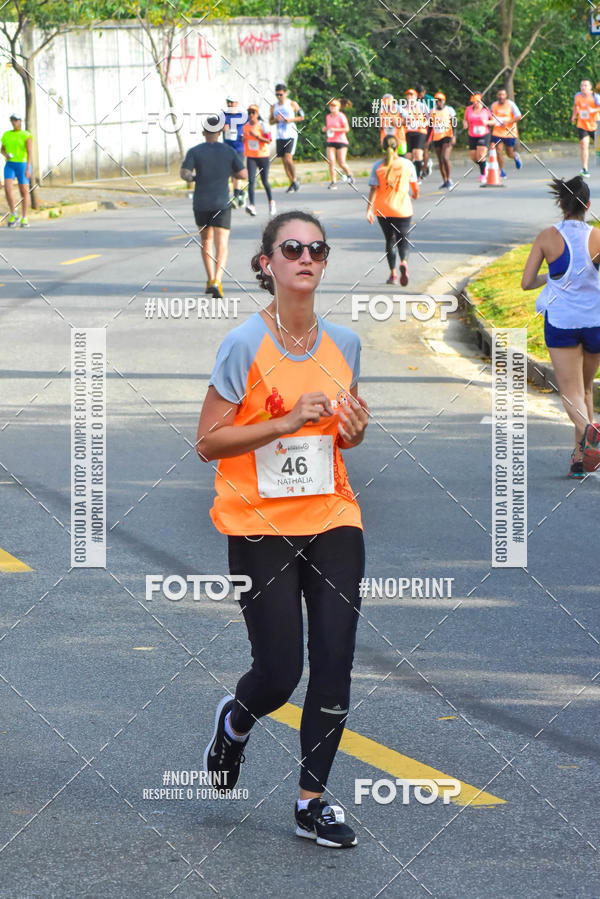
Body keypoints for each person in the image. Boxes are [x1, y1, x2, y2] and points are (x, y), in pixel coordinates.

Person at [197, 210, 369, 848]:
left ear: (324, 263)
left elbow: (351, 431)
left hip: (332, 514)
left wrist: (354, 428)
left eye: (316, 249)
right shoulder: (246, 343)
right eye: (291, 248)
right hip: (259, 522)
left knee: (335, 657)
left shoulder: (345, 344)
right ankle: (237, 721)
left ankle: (311, 801)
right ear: (266, 264)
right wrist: (284, 420)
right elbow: (208, 442)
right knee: (278, 673)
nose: (306, 257)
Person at [522, 175, 600, 477]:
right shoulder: (597, 237)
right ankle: (580, 459)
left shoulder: (547, 237)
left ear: (561, 205)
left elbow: (527, 282)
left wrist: (551, 277)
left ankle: (589, 434)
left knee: (569, 392)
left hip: (562, 323)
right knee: (585, 390)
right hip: (595, 322)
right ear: (588, 205)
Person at [180, 116, 247, 299]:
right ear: (219, 132)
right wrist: (230, 172)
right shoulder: (229, 151)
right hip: (221, 203)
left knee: (206, 242)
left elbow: (184, 173)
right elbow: (242, 173)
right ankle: (218, 280)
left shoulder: (195, 151)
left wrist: (193, 178)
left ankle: (209, 279)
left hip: (201, 203)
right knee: (222, 244)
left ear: (203, 133)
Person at [367, 134, 419, 285]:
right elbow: (415, 187)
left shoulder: (378, 166)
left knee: (390, 240)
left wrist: (369, 210)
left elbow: (373, 190)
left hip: (383, 210)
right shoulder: (407, 164)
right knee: (403, 240)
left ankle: (393, 274)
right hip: (402, 209)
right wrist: (415, 194)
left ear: (383, 147)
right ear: (398, 147)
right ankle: (404, 262)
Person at [270, 83, 304, 192]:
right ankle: (292, 181)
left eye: (281, 94)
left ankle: (294, 180)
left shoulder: (292, 104)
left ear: (285, 93)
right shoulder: (274, 106)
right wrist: (276, 120)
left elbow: (302, 117)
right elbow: (270, 121)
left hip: (291, 134)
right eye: (277, 95)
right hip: (280, 135)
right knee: (284, 161)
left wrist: (290, 120)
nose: (279, 97)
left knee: (288, 158)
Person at [243, 105, 275, 217]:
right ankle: (252, 206)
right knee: (251, 181)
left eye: (253, 112)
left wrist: (257, 137)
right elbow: (245, 140)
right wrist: (243, 139)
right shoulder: (246, 126)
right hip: (251, 157)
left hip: (263, 156)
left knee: (264, 181)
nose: (251, 115)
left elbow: (269, 140)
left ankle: (271, 202)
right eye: (249, 112)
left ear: (257, 114)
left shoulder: (263, 125)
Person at [1, 114, 32, 227]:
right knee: (8, 189)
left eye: (16, 120)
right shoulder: (6, 135)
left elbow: (29, 152)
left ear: (20, 121)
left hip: (22, 164)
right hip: (10, 164)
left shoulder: (26, 135)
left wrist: (28, 167)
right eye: (13, 120)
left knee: (23, 190)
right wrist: (6, 155)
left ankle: (25, 217)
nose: (14, 122)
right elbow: (2, 149)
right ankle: (14, 213)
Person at [490, 88, 523, 179]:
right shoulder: (494, 105)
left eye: (503, 95)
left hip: (509, 132)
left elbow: (519, 116)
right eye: (499, 95)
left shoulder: (511, 104)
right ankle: (502, 171)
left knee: (509, 153)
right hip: (497, 132)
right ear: (497, 96)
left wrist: (508, 122)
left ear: (506, 96)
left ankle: (515, 156)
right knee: (498, 151)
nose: (501, 97)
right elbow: (490, 117)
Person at [322, 98, 353, 189]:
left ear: (339, 107)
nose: (332, 107)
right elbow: (328, 128)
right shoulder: (328, 117)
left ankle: (349, 174)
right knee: (331, 162)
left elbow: (346, 129)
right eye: (331, 105)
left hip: (341, 141)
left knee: (341, 162)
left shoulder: (341, 116)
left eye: (334, 105)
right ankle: (333, 182)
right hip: (331, 141)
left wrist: (335, 129)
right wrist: (325, 129)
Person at [463, 93, 494, 183]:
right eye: (473, 102)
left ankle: (483, 174)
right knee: (473, 157)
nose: (475, 103)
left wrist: (486, 122)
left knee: (480, 155)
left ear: (481, 101)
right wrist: (465, 123)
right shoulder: (468, 109)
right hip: (472, 134)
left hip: (484, 134)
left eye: (476, 101)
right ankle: (484, 165)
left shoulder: (486, 110)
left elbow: (494, 121)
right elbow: (465, 119)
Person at [571, 79, 600, 178]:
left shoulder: (595, 97)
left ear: (590, 87)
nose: (583, 87)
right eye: (582, 85)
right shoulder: (577, 96)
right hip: (582, 125)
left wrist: (593, 109)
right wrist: (574, 115)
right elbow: (575, 106)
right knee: (584, 145)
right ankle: (584, 169)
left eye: (585, 85)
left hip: (595, 125)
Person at [222, 96, 248, 207]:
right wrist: (222, 127)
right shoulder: (223, 116)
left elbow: (250, 127)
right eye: (228, 103)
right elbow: (216, 128)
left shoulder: (243, 116)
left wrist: (245, 135)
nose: (230, 105)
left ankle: (236, 196)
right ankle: (240, 193)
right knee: (231, 172)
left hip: (239, 148)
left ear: (237, 103)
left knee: (237, 171)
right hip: (227, 148)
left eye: (232, 103)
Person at [429, 92, 456, 188]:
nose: (438, 102)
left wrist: (454, 136)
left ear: (444, 101)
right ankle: (444, 180)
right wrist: (427, 140)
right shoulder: (432, 111)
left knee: (445, 157)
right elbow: (430, 127)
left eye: (440, 100)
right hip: (437, 137)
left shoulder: (449, 110)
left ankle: (449, 179)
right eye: (436, 100)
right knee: (440, 160)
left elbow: (454, 124)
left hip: (447, 136)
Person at [403, 88, 429, 181]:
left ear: (416, 97)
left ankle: (418, 176)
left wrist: (425, 123)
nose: (410, 97)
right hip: (408, 132)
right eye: (408, 95)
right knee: (409, 157)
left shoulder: (421, 106)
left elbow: (430, 117)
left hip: (420, 132)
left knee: (417, 154)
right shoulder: (404, 108)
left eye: (412, 95)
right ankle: (412, 174)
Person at [416, 84, 435, 176]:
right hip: (418, 126)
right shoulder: (415, 100)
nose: (419, 96)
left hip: (429, 125)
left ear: (424, 92)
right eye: (418, 94)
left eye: (421, 94)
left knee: (425, 147)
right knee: (418, 148)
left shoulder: (430, 100)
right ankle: (423, 165)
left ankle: (424, 169)